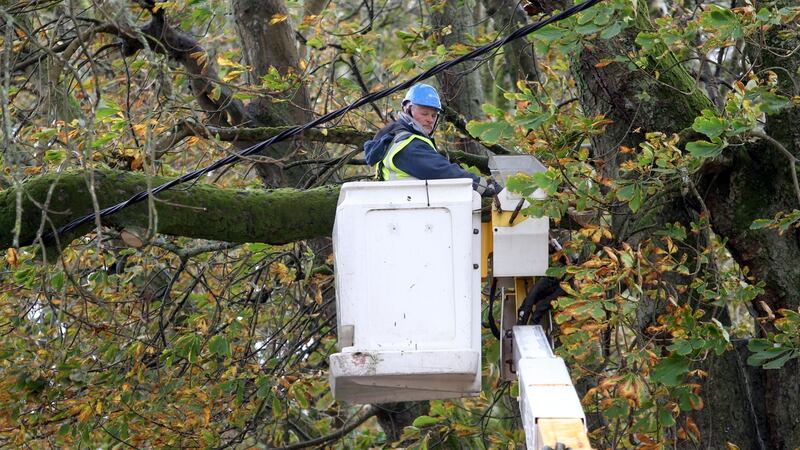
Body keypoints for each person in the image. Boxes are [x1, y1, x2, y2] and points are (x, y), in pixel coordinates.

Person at [363, 83, 495, 195]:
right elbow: (447, 173)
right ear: (408, 110)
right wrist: (489, 188)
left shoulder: (395, 138)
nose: (430, 119)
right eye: (424, 113)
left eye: (434, 115)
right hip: (415, 213)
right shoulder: (408, 146)